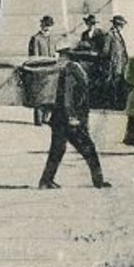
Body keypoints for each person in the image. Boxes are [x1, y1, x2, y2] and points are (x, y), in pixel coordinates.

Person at [38, 42, 113, 190]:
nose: (90, 62)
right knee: (89, 149)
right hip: (69, 119)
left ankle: (45, 181)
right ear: (81, 58)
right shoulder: (72, 69)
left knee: (57, 150)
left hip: (61, 119)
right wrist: (72, 117)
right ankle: (98, 181)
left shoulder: (77, 69)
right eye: (87, 58)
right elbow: (67, 95)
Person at [28, 15, 58, 126]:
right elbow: (34, 57)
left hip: (52, 71)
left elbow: (55, 52)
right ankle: (38, 119)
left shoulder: (53, 38)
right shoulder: (36, 38)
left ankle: (46, 117)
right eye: (46, 25)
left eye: (50, 26)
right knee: (40, 96)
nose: (48, 28)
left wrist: (55, 57)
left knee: (51, 96)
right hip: (40, 70)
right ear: (42, 25)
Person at [99, 15, 129, 110]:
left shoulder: (118, 34)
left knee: (118, 82)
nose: (122, 27)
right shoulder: (110, 34)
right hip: (114, 63)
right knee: (113, 83)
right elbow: (105, 50)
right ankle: (111, 103)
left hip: (120, 63)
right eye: (121, 25)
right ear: (117, 25)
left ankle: (117, 103)